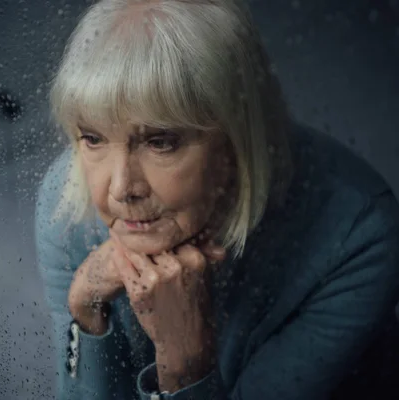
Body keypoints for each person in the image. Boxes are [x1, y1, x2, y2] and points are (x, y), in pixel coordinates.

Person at [34, 0, 399, 399]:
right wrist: (86, 309)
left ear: (235, 139)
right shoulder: (65, 201)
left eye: (161, 142)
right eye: (93, 138)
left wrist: (185, 362)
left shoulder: (360, 235)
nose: (120, 189)